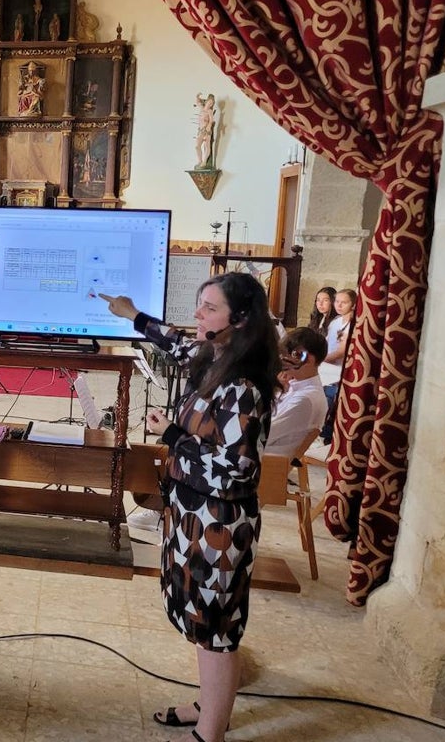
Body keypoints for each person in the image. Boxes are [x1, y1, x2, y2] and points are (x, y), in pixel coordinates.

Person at [101, 272, 281, 742]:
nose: (198, 315)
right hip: (189, 513)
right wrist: (132, 314)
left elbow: (237, 469)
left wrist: (174, 436)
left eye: (209, 308)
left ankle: (211, 730)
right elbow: (177, 345)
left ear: (239, 321)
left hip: (219, 523)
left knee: (217, 629)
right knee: (200, 619)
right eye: (200, 305)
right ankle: (209, 703)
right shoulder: (213, 356)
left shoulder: (242, 387)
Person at [265, 327, 329, 458]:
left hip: (268, 462)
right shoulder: (293, 384)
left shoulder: (306, 399)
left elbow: (266, 433)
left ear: (308, 359)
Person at [318, 288, 357, 443]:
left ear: (353, 305)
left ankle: (327, 435)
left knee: (331, 401)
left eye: (344, 302)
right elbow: (327, 343)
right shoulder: (335, 322)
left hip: (339, 370)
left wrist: (322, 359)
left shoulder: (351, 324)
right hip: (327, 368)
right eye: (337, 302)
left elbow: (342, 351)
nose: (339, 305)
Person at [194, 93, 217, 168]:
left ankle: (204, 161)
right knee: (197, 146)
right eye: (210, 102)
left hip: (207, 131)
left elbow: (211, 121)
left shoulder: (210, 111)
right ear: (207, 101)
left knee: (206, 146)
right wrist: (197, 96)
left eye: (212, 103)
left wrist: (208, 127)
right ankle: (200, 160)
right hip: (200, 130)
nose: (210, 104)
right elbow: (198, 102)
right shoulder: (202, 108)